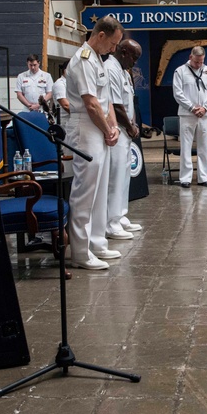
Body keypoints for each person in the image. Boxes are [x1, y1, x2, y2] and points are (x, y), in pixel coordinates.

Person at [67, 19, 124, 271]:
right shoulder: (83, 59)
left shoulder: (99, 60)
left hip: (99, 127)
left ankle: (97, 242)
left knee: (100, 191)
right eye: (112, 43)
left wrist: (112, 128)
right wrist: (106, 128)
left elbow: (106, 100)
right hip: (85, 128)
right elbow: (90, 104)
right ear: (100, 35)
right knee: (84, 193)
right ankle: (80, 252)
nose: (114, 49)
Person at [105, 38, 143, 239]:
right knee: (115, 177)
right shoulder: (110, 68)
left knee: (124, 175)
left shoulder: (123, 71)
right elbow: (116, 105)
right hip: (117, 129)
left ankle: (120, 215)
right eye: (134, 58)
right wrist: (129, 127)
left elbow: (129, 102)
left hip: (127, 130)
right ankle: (110, 223)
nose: (135, 63)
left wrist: (134, 125)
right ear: (124, 52)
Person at [172, 46, 207, 188]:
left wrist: (205, 107)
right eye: (196, 62)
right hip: (187, 114)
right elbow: (178, 93)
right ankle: (185, 178)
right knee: (186, 147)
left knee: (204, 147)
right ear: (190, 57)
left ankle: (204, 177)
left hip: (204, 114)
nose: (199, 64)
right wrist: (192, 108)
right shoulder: (180, 71)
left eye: (201, 62)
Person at [52, 64, 73, 141]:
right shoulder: (60, 84)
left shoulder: (72, 83)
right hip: (65, 121)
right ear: (65, 71)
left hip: (73, 120)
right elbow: (65, 105)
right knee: (66, 149)